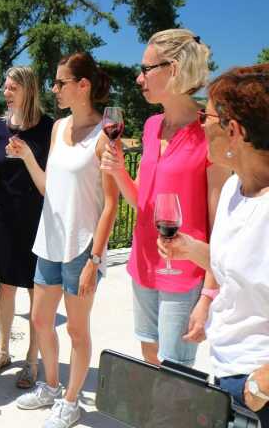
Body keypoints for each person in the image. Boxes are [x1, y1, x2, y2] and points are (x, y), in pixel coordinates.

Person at [100, 29, 229, 368]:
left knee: (175, 371)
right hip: (143, 263)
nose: (139, 78)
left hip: (184, 272)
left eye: (145, 69)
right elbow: (142, 203)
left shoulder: (208, 133)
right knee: (149, 355)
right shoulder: (152, 125)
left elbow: (220, 227)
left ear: (172, 69)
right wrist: (116, 172)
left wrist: (208, 295)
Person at [157, 63, 269, 425]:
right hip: (227, 372)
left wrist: (260, 387)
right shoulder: (235, 189)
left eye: (207, 115)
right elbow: (240, 269)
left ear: (233, 130)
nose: (200, 123)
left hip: (257, 387)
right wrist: (191, 249)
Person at [15, 52, 119, 428]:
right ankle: (52, 386)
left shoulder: (103, 138)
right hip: (50, 243)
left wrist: (95, 260)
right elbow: (50, 189)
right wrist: (27, 156)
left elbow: (111, 205)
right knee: (41, 320)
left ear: (83, 86)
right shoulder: (58, 128)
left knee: (77, 330)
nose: (54, 89)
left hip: (82, 249)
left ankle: (71, 401)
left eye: (60, 83)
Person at [0, 66, 52, 389]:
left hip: (35, 217)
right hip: (3, 213)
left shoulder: (50, 128)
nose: (6, 93)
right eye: (5, 87)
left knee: (36, 290)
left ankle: (32, 361)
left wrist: (26, 158)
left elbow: (51, 179)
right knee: (4, 286)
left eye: (12, 88)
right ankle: (3, 351)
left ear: (28, 90)